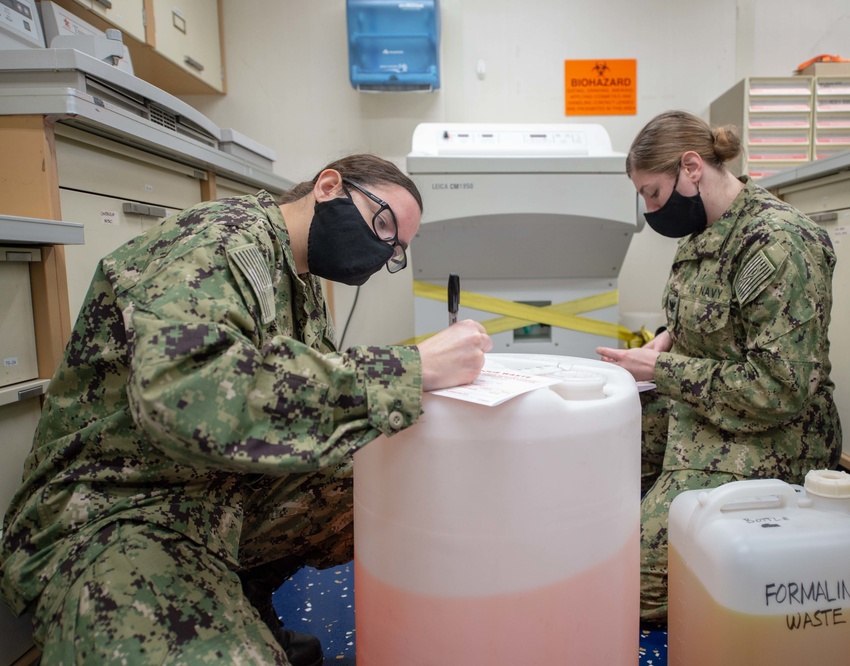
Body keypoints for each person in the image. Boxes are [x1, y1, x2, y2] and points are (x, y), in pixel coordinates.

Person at [0, 154, 493, 664]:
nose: (382, 249)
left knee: (394, 480)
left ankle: (244, 603)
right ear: (328, 186)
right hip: (118, 508)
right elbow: (187, 392)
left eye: (396, 250)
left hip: (216, 490)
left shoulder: (297, 276)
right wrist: (407, 369)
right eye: (382, 224)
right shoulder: (223, 240)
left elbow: (289, 404)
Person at [597, 111, 841, 625]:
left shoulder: (777, 243)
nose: (650, 209)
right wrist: (665, 342)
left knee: (632, 586)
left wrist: (660, 372)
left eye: (653, 193)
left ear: (691, 168)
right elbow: (702, 319)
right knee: (594, 448)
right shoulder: (705, 228)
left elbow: (779, 390)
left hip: (773, 430)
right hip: (705, 403)